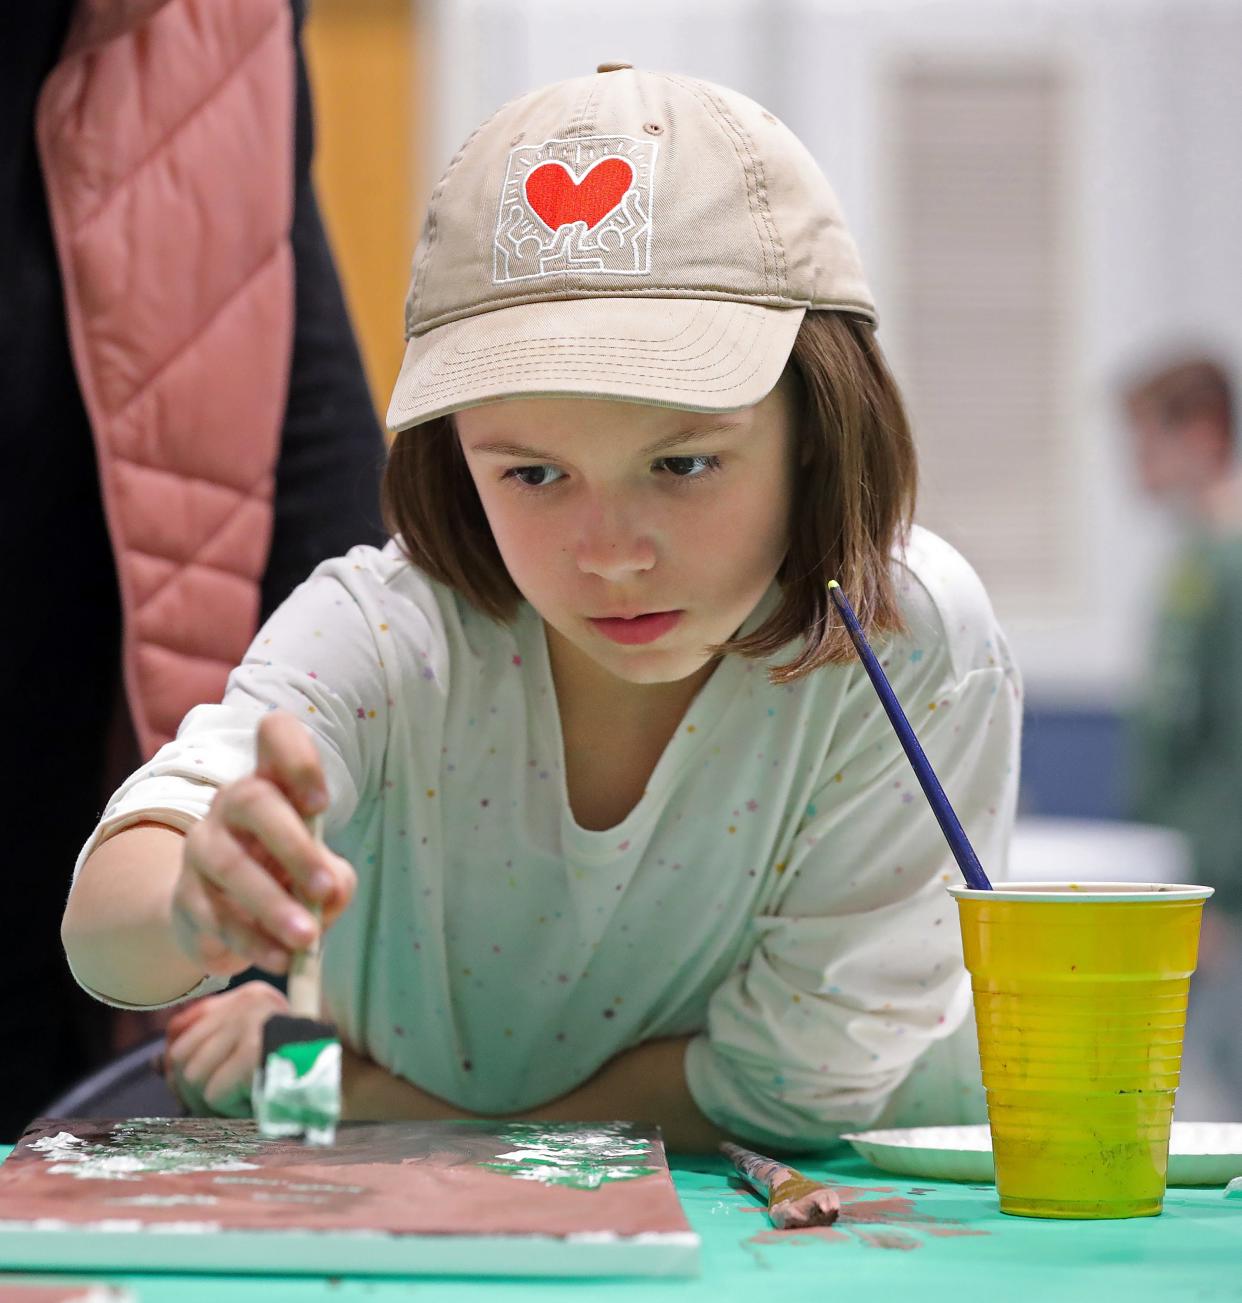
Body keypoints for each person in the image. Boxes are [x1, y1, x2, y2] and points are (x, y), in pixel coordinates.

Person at [61, 65, 1022, 1151]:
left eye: (687, 462)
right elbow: (108, 933)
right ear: (453, 454)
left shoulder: (910, 637)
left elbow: (786, 1097)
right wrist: (194, 901)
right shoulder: (389, 629)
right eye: (531, 475)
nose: (610, 554)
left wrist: (346, 1088)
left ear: (820, 423)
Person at [3, 0, 385, 1139]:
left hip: (76, 773)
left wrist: (275, 994)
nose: (617, 551)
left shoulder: (373, 640)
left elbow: (319, 464)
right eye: (535, 475)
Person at [1122, 353, 1242, 1117]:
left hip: (1225, 892)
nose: (1133, 465)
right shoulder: (1192, 558)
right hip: (1189, 873)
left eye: (1144, 441)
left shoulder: (1230, 562)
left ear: (1199, 433)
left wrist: (1225, 896)